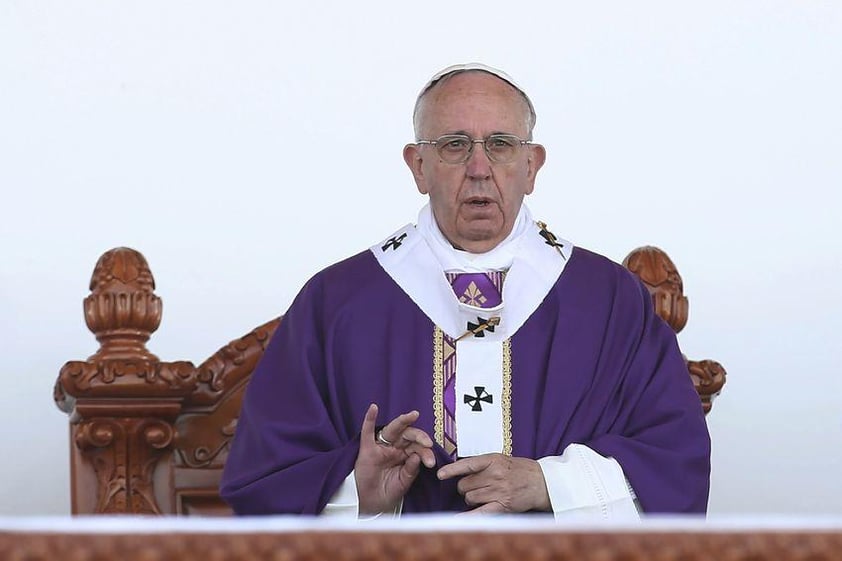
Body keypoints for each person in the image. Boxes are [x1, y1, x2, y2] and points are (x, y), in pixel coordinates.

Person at [220, 63, 711, 519]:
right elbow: (265, 482)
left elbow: (677, 463)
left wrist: (549, 484)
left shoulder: (608, 301)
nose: (480, 167)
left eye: (500, 144)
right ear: (418, 166)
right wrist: (359, 490)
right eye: (455, 145)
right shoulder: (337, 303)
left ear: (532, 165)